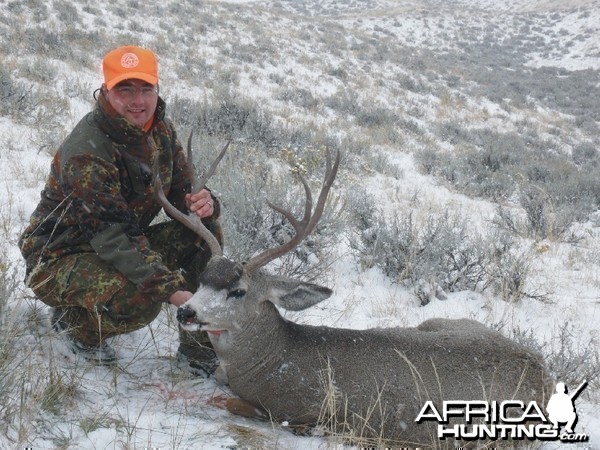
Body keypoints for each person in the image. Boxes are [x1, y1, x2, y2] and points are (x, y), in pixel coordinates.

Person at [19, 45, 221, 375]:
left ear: (157, 89)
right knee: (141, 300)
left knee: (204, 233)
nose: (137, 101)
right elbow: (113, 236)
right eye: (124, 89)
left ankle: (198, 350)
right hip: (58, 257)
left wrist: (203, 203)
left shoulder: (161, 130)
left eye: (145, 89)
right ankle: (76, 326)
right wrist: (171, 289)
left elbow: (183, 194)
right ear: (106, 91)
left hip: (115, 244)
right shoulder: (88, 149)